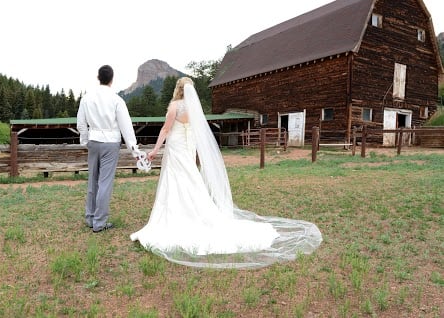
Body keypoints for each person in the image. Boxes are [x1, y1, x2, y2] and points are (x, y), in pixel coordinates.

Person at [130, 77, 322, 268]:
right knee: (191, 178)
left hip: (176, 147)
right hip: (187, 149)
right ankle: (195, 211)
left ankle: (175, 216)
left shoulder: (175, 106)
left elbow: (165, 129)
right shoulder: (194, 109)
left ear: (177, 89)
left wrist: (154, 150)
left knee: (175, 180)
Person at [77, 65, 142, 233]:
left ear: (98, 77)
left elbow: (81, 123)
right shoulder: (117, 100)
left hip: (93, 140)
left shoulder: (86, 98)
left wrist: (85, 141)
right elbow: (126, 126)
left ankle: (90, 217)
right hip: (111, 143)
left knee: (93, 180)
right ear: (112, 79)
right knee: (105, 182)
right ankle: (99, 222)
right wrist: (134, 149)